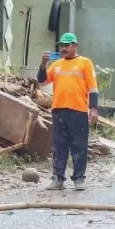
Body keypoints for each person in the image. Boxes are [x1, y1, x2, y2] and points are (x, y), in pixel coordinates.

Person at [37, 32, 99, 191]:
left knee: (79, 146)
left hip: (78, 110)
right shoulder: (56, 64)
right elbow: (42, 81)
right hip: (58, 110)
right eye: (62, 45)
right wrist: (43, 64)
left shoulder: (85, 63)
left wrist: (93, 108)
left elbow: (93, 88)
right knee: (59, 146)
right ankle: (58, 178)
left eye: (67, 45)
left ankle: (79, 178)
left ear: (75, 46)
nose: (63, 48)